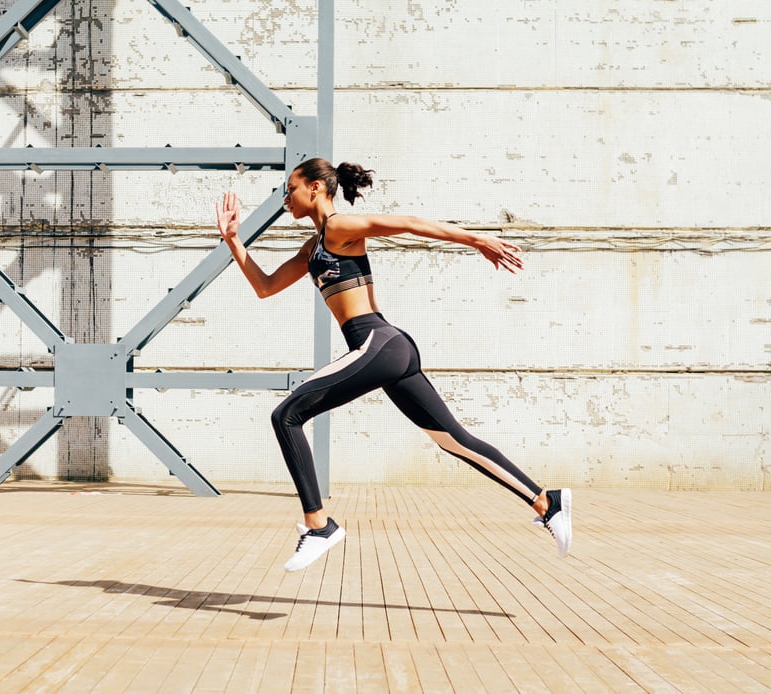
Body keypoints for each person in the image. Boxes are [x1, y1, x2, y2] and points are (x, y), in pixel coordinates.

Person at [215, 158, 572, 572]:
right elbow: (266, 286)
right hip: (389, 349)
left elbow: (406, 223)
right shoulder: (313, 247)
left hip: (377, 343)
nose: (285, 200)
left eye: (289, 190)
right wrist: (232, 240)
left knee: (286, 415)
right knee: (453, 440)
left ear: (314, 188)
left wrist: (477, 240)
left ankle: (319, 526)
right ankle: (548, 501)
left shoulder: (338, 228)